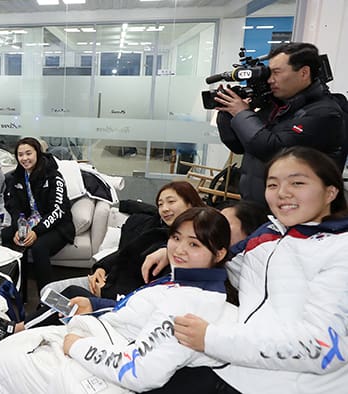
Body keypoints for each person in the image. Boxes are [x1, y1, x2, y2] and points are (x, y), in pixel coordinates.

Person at [0, 207, 232, 393]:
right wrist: (99, 302)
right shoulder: (180, 274)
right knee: (42, 316)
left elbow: (143, 370)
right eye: (176, 238)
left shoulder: (188, 302)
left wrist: (78, 346)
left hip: (103, 347)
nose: (180, 249)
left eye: (194, 244)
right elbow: (126, 268)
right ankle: (16, 331)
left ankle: (15, 329)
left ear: (219, 253)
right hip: (108, 314)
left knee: (8, 361)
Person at [143, 146, 348, 393]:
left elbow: (322, 348)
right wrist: (175, 250)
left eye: (297, 183)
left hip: (289, 384)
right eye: (272, 185)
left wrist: (211, 338)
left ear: (330, 192)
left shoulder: (339, 249)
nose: (282, 193)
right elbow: (216, 261)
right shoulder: (270, 235)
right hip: (234, 369)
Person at [215, 42, 348, 205]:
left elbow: (274, 150)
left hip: (296, 211)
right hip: (256, 208)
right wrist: (227, 112)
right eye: (269, 73)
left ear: (304, 73)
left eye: (276, 73)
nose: (270, 80)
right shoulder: (276, 105)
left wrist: (241, 113)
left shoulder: (325, 113)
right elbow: (239, 146)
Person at [44, 181, 205, 304]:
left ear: (190, 203)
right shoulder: (153, 228)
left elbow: (148, 291)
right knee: (49, 293)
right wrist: (101, 268)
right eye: (160, 204)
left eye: (171, 202)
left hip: (121, 299)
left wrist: (108, 292)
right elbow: (126, 252)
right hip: (109, 280)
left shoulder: (197, 242)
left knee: (60, 298)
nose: (164, 209)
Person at [3, 137, 74, 291]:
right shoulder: (16, 177)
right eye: (20, 155)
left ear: (38, 153)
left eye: (28, 153)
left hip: (57, 227)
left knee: (39, 247)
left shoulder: (54, 177)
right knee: (4, 237)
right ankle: (10, 289)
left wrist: (36, 232)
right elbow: (13, 206)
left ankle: (46, 297)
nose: (24, 158)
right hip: (28, 223)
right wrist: (18, 228)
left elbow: (58, 210)